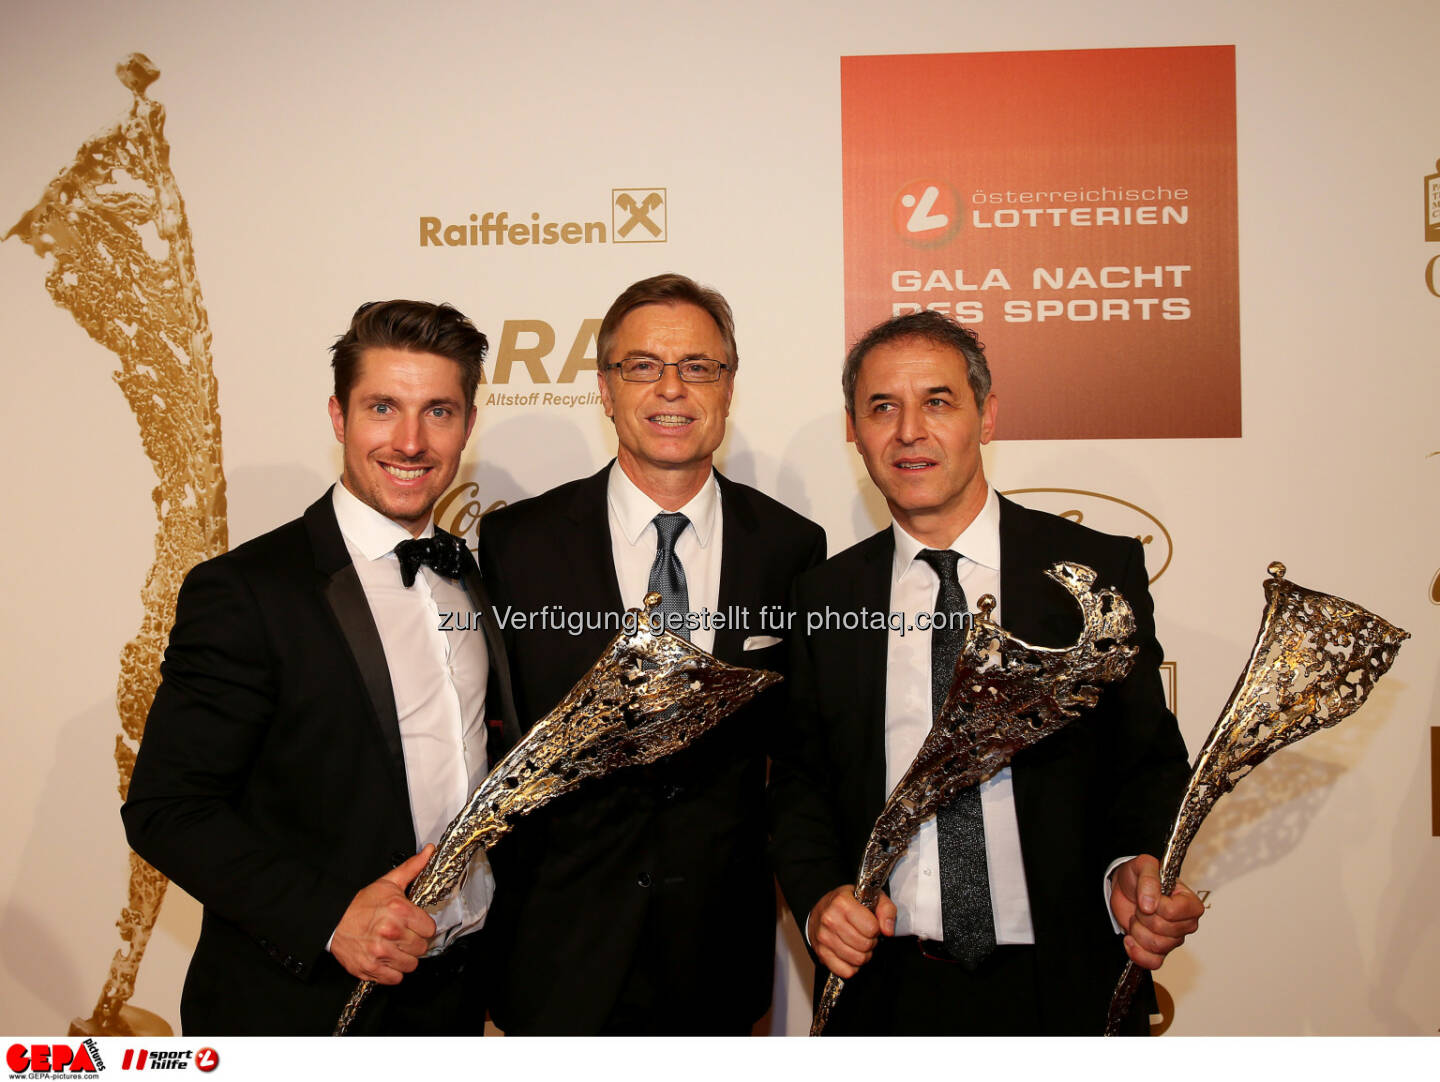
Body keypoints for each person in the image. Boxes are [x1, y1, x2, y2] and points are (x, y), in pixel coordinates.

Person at [767, 310, 1201, 1035]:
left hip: (1065, 985)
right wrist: (817, 901)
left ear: (986, 416)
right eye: (883, 407)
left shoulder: (1096, 574)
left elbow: (1149, 762)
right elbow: (800, 784)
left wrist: (1133, 860)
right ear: (856, 430)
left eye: (937, 401)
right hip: (885, 991)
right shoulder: (825, 598)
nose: (909, 430)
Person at [122, 300, 519, 1035]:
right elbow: (166, 810)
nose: (410, 440)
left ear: (467, 423)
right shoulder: (247, 590)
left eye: (439, 411)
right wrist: (332, 917)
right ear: (339, 417)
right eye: (382, 408)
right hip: (300, 1005)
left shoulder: (473, 575)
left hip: (455, 997)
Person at [477, 273, 825, 1034]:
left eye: (699, 366)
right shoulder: (516, 545)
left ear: (730, 387)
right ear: (605, 388)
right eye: (642, 366)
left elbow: (800, 753)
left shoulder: (792, 548)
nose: (673, 388)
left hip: (718, 954)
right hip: (554, 950)